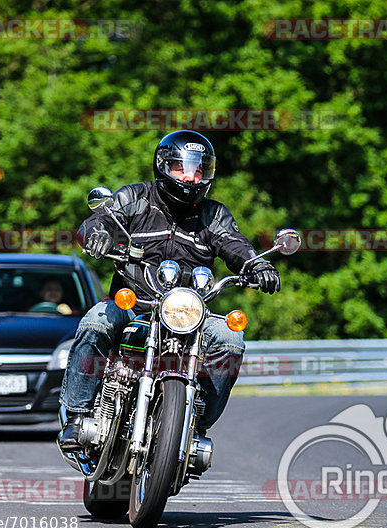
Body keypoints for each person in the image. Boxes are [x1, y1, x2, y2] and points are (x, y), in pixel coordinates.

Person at [59, 130, 280, 450]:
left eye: (199, 169)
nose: (191, 176)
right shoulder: (134, 198)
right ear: (163, 166)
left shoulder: (213, 215)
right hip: (133, 305)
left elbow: (234, 244)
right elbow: (100, 221)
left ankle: (195, 423)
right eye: (182, 168)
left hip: (187, 315)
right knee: (96, 321)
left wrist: (256, 265)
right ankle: (78, 417)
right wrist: (96, 233)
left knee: (231, 338)